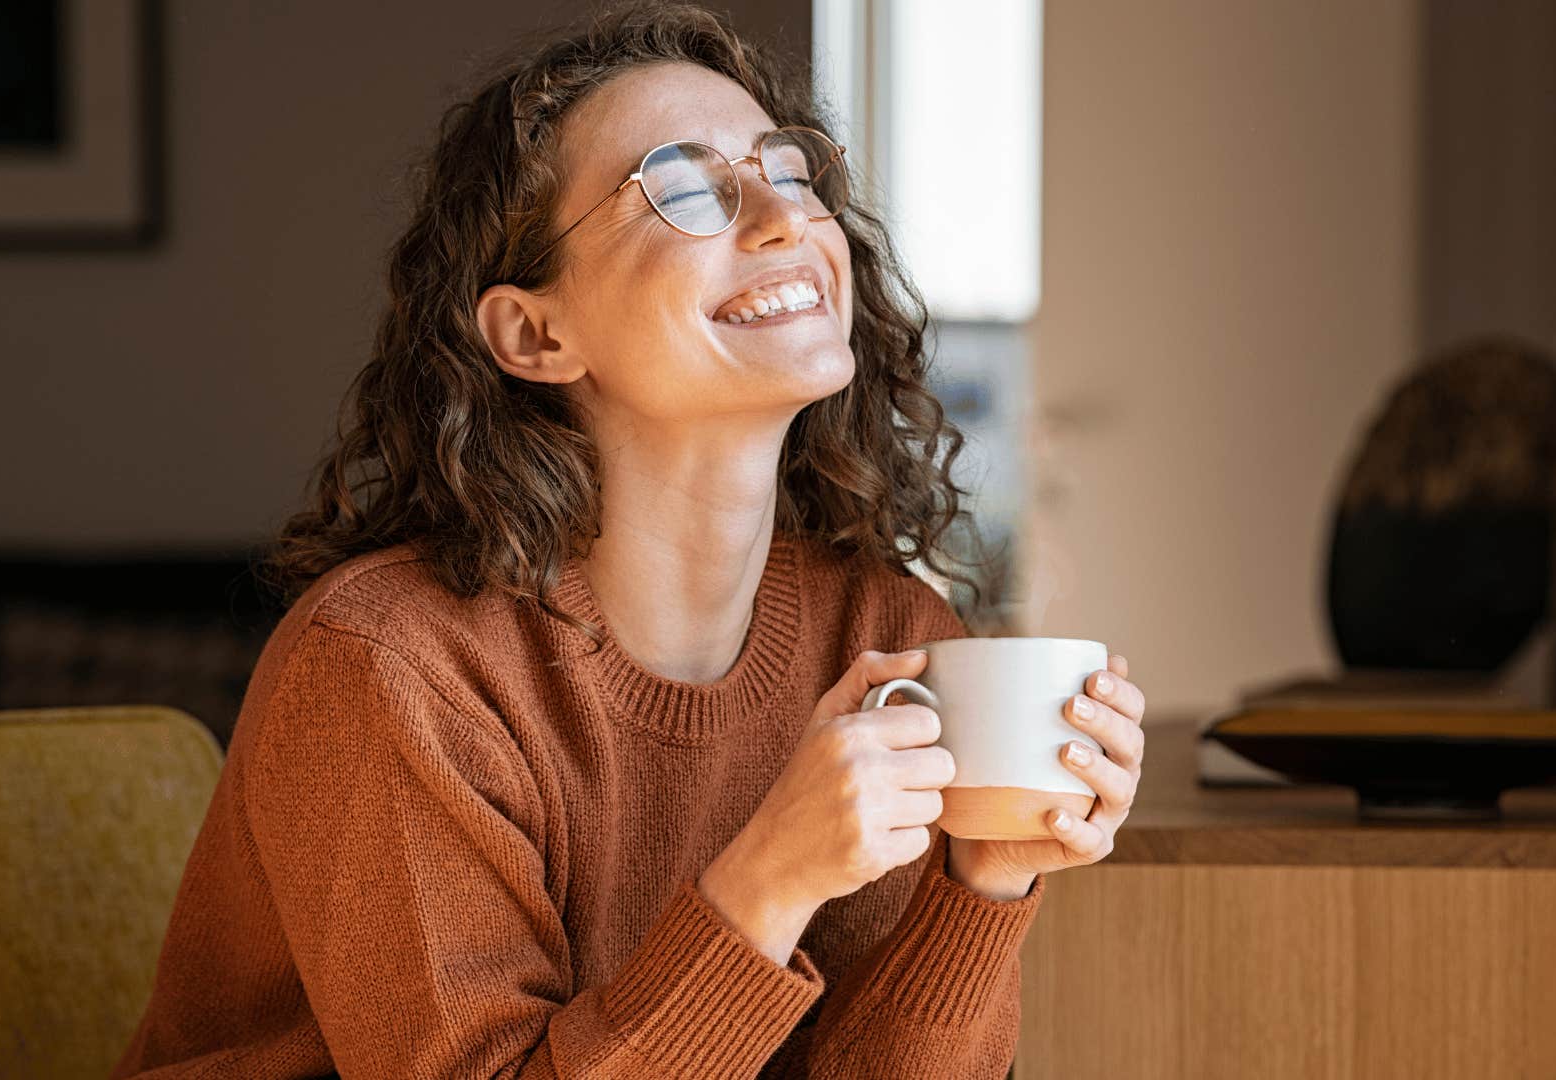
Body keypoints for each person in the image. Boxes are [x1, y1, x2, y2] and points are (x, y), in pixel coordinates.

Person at [112, 3, 1146, 1076]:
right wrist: (767, 884)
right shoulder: (390, 670)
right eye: (687, 188)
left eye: (789, 173)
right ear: (536, 333)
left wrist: (983, 881)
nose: (784, 219)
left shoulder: (886, 636)